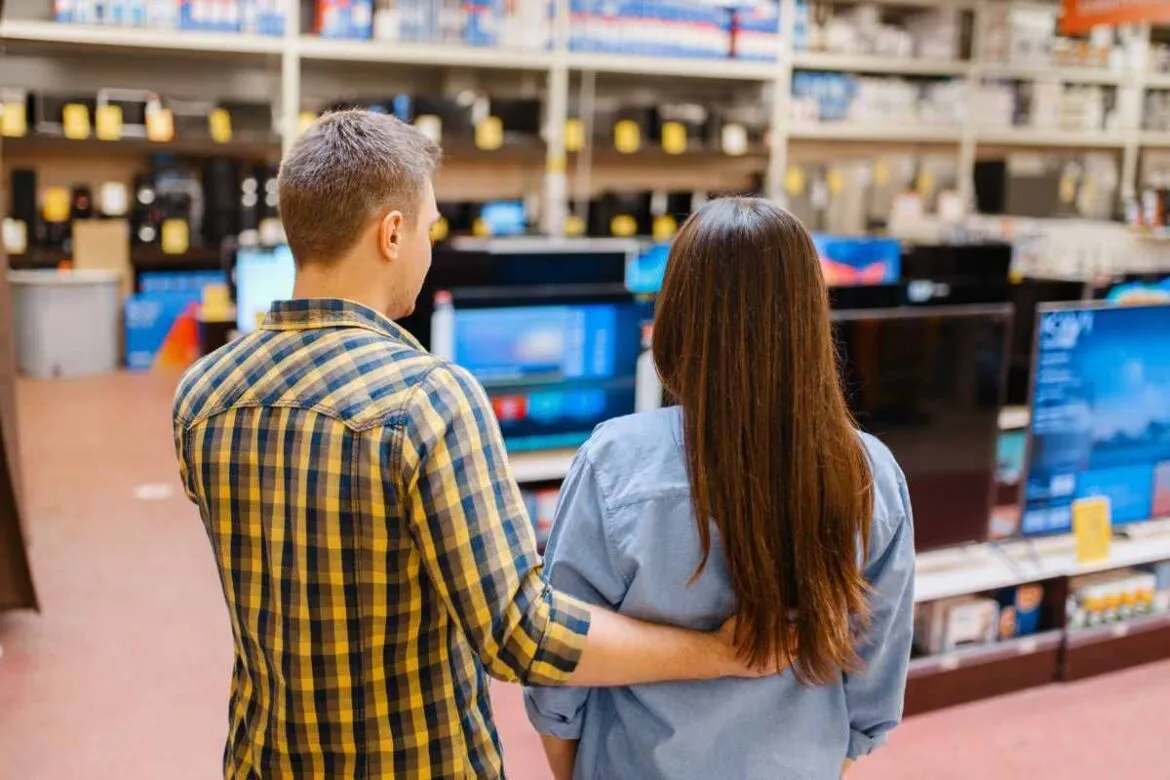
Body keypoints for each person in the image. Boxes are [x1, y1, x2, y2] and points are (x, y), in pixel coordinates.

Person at [172, 111, 777, 779]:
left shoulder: (203, 396)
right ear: (392, 233)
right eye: (429, 227)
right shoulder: (428, 400)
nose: (430, 249)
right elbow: (519, 634)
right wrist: (718, 652)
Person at [524, 197, 915, 780]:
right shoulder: (870, 473)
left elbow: (558, 673)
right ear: (810, 319)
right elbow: (873, 696)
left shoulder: (614, 463)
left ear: (677, 318)